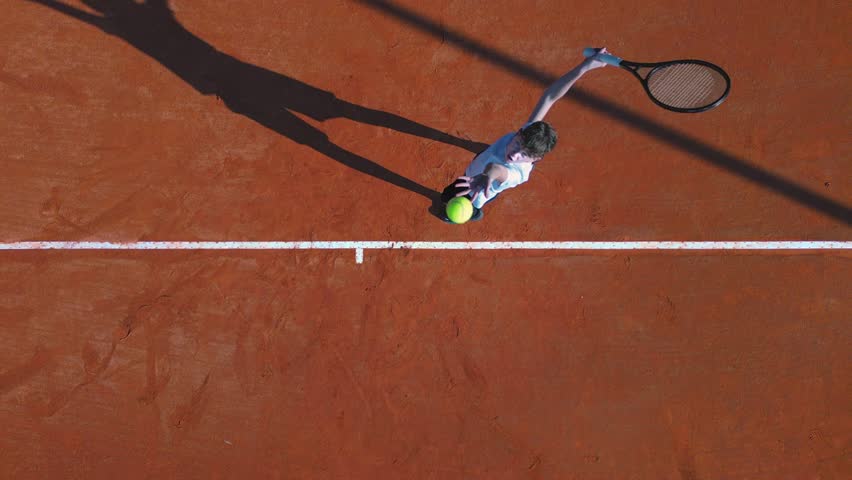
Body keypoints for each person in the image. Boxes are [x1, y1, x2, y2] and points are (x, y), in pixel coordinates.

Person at [439, 48, 610, 222]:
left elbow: (497, 170)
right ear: (520, 132)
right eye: (517, 144)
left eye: (525, 155)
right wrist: (585, 67)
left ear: (535, 160)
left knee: (452, 201)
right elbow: (550, 97)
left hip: (477, 191)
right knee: (449, 192)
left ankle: (475, 213)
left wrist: (486, 176)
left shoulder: (517, 173)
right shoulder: (529, 132)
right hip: (476, 168)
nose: (515, 154)